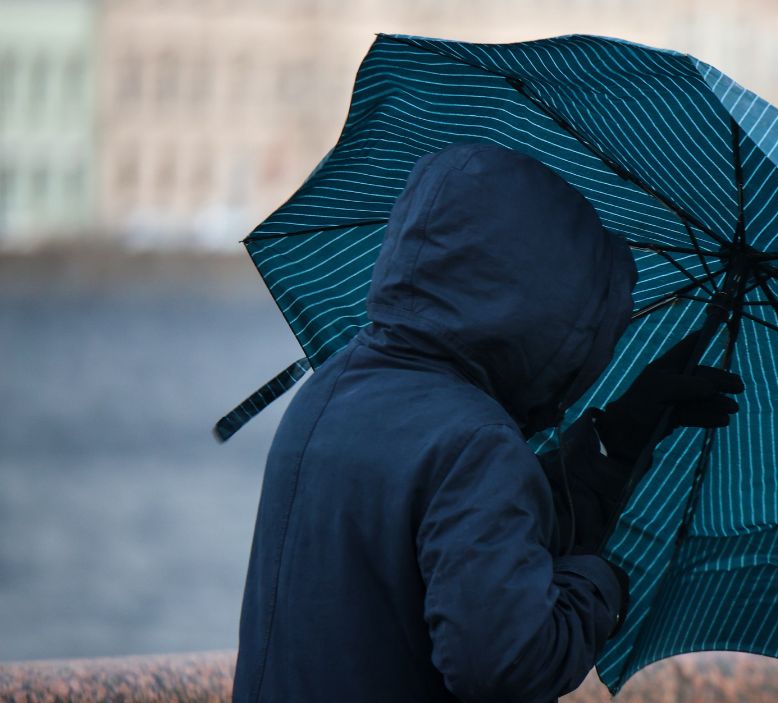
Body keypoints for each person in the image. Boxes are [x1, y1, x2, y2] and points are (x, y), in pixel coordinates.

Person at [232, 143, 743, 703]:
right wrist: (600, 587)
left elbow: (463, 537)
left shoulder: (333, 387)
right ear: (548, 310)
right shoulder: (475, 442)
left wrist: (620, 436)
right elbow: (507, 664)